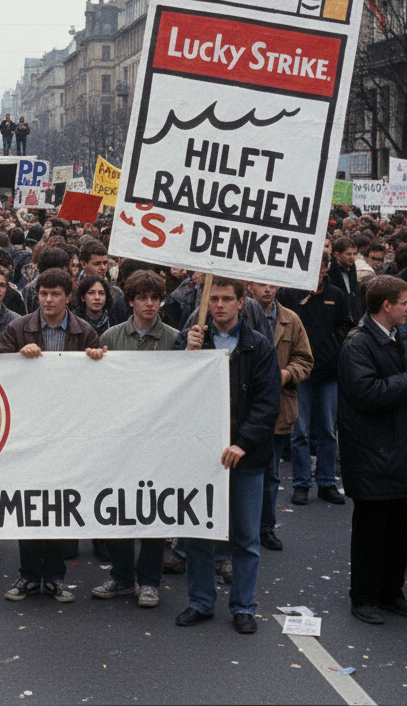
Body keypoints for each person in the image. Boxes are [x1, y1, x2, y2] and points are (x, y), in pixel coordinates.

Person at [174, 278, 280, 634]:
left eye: (226, 299)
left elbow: (268, 403)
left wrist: (243, 443)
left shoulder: (259, 346)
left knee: (246, 536)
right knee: (199, 533)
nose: (219, 305)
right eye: (214, 298)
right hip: (200, 454)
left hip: (245, 458)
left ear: (240, 303)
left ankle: (243, 605)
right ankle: (201, 602)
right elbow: (170, 390)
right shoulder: (191, 339)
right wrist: (184, 354)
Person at [0, 268, 104, 603]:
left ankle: (55, 577)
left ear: (68, 297)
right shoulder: (18, 328)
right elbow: (0, 373)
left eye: (55, 294)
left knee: (58, 506)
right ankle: (29, 576)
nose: (48, 300)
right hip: (27, 432)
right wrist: (18, 358)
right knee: (30, 506)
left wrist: (96, 359)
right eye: (43, 293)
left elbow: (99, 382)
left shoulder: (84, 331)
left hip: (66, 432)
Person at [337, 275, 407, 625]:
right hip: (372, 452)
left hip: (400, 450)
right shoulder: (357, 345)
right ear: (386, 306)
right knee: (372, 531)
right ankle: (364, 596)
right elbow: (366, 394)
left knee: (402, 529)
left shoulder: (397, 337)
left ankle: (392, 592)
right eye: (405, 302)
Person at [97, 270, 179, 608]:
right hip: (121, 438)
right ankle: (121, 576)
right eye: (143, 297)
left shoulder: (175, 339)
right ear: (130, 300)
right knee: (119, 508)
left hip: (159, 437)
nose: (149, 304)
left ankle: (149, 581)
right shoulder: (112, 336)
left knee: (154, 512)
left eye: (155, 298)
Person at [280, 253, 353, 507]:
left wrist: (332, 346)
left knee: (327, 431)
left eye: (320, 265)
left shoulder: (337, 295)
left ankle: (326, 482)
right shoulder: (290, 294)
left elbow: (346, 326)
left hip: (328, 373)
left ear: (325, 269)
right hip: (300, 374)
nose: (316, 270)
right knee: (299, 432)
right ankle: (301, 484)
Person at [245, 282, 313, 552]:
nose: (268, 290)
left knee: (271, 473)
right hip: (245, 407)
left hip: (278, 406)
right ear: (250, 287)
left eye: (273, 285)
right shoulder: (239, 316)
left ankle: (265, 527)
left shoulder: (290, 319)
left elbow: (305, 359)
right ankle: (244, 526)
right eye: (262, 284)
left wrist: (286, 374)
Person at [329, 236, 365, 319]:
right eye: (348, 254)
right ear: (337, 255)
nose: (352, 257)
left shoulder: (352, 269)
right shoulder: (330, 273)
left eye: (354, 254)